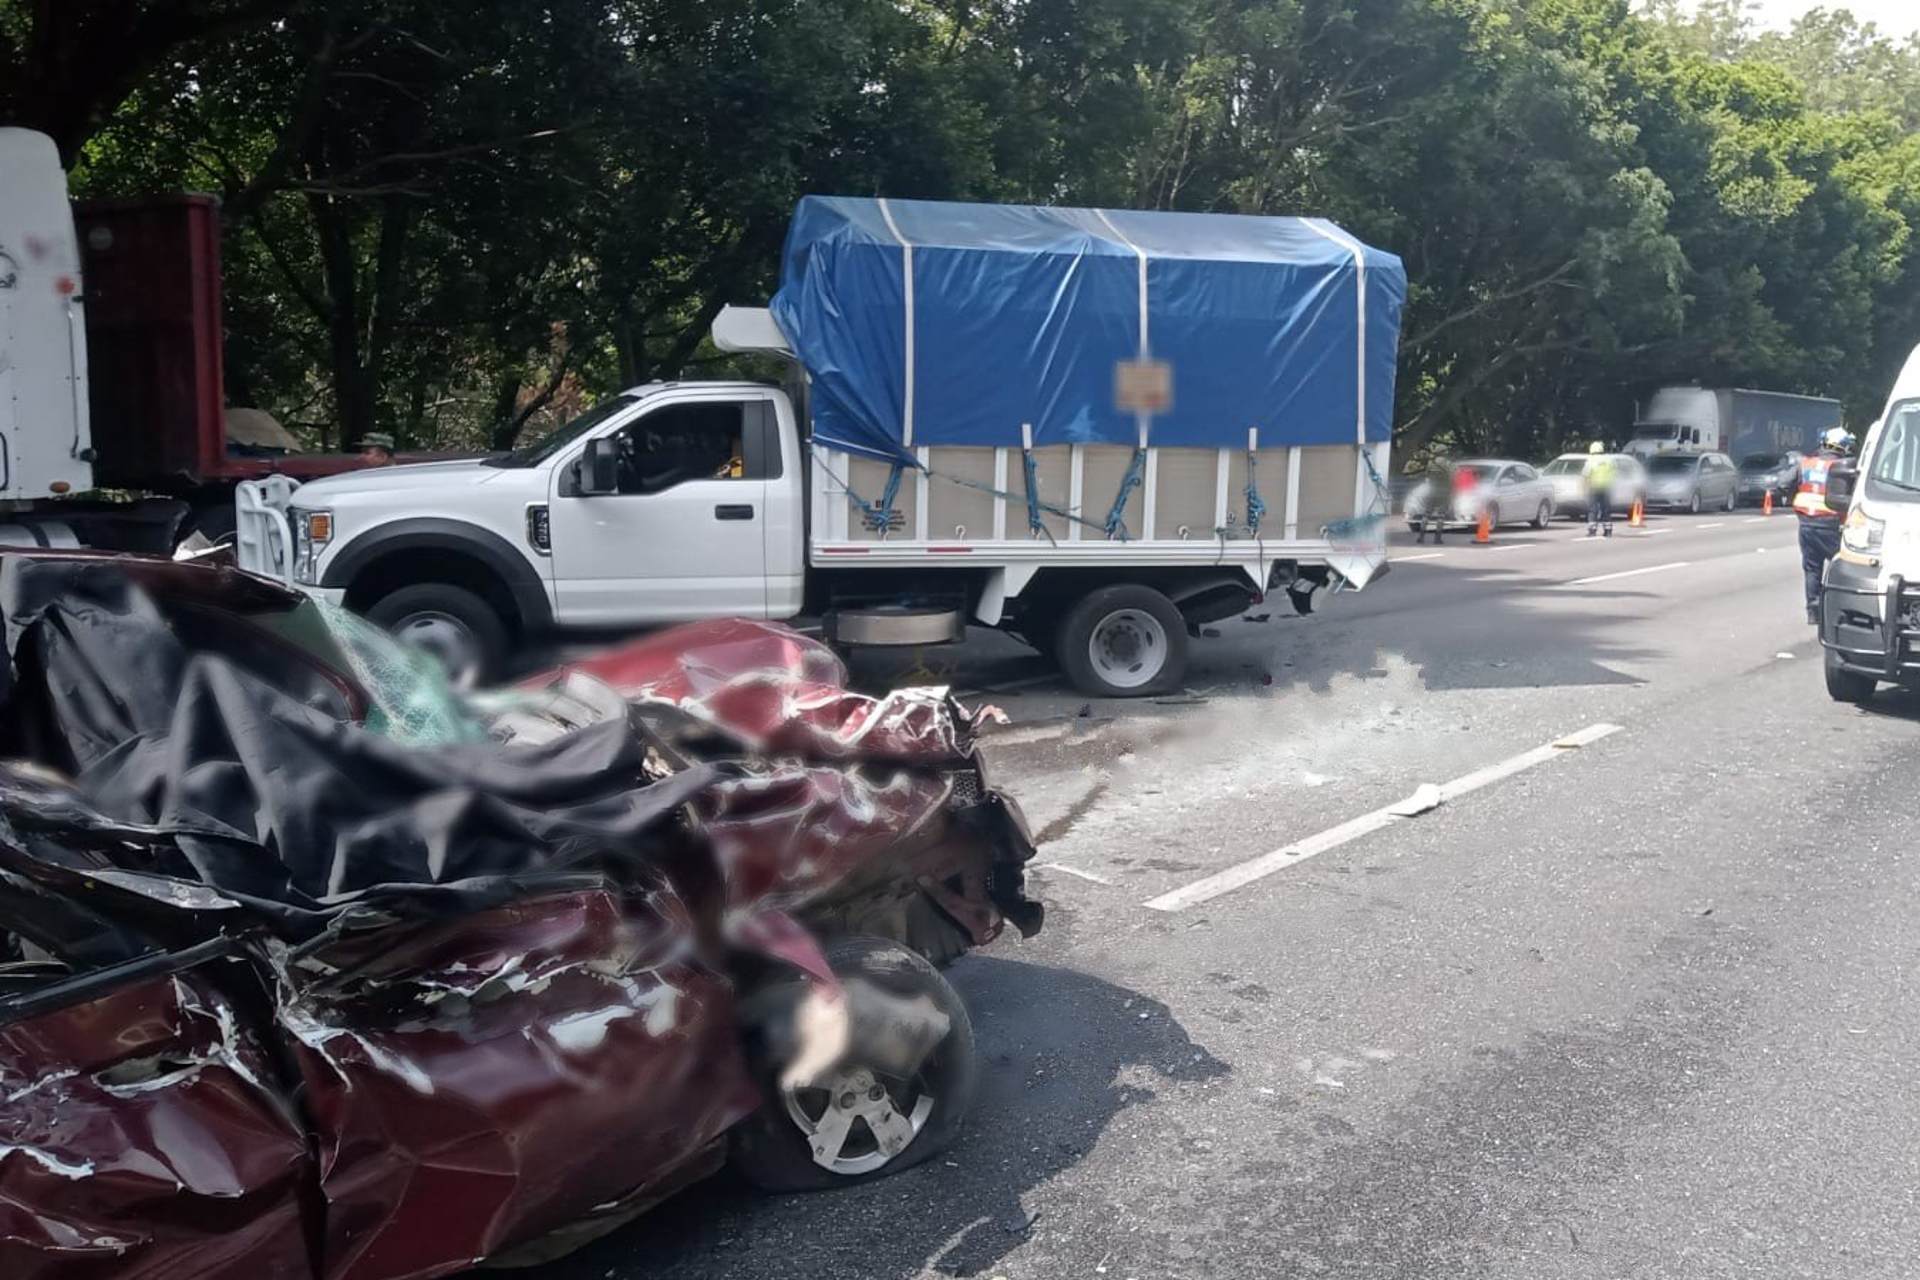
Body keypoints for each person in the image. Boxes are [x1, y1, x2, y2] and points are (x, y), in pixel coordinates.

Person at [1793, 425, 1856, 624]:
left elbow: (1784, 484)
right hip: (1831, 524)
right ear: (1843, 447)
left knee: (1812, 569)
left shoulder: (1806, 463)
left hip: (1806, 523)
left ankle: (1814, 612)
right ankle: (1844, 611)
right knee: (1843, 567)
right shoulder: (1844, 466)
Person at [1416, 453, 1451, 545]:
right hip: (1443, 492)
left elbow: (1426, 476)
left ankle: (1421, 537)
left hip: (1432, 491)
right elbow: (1453, 477)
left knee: (1426, 514)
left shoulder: (1431, 464)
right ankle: (1437, 538)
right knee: (1440, 516)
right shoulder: (1448, 464)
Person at [1583, 440, 1616, 538]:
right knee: (1606, 509)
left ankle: (1592, 531)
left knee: (1593, 510)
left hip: (1594, 488)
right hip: (1607, 487)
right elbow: (1614, 472)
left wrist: (1584, 488)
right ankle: (1608, 530)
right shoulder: (1609, 460)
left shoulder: (1590, 460)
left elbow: (1585, 475)